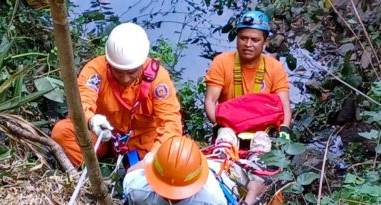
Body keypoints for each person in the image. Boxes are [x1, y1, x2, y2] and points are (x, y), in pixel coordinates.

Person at [51, 22, 182, 166]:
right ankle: (90, 171)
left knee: (174, 152)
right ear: (108, 62)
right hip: (102, 137)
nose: (125, 78)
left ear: (142, 63)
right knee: (62, 131)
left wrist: (151, 159)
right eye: (118, 71)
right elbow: (81, 103)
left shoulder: (158, 79)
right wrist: (91, 121)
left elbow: (170, 123)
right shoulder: (95, 72)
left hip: (143, 145)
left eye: (131, 72)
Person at [204, 10, 292, 141]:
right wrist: (218, 126)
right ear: (237, 38)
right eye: (243, 38)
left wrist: (284, 129)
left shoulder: (275, 67)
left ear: (265, 41)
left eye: (255, 40)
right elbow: (210, 100)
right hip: (228, 130)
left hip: (263, 133)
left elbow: (284, 104)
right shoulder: (221, 62)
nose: (248, 44)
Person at [123, 135, 267, 205]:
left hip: (216, 169)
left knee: (225, 145)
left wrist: (152, 158)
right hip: (223, 174)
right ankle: (258, 144)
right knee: (260, 167)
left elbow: (131, 173)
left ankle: (226, 138)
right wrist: (252, 193)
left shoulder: (137, 190)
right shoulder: (210, 200)